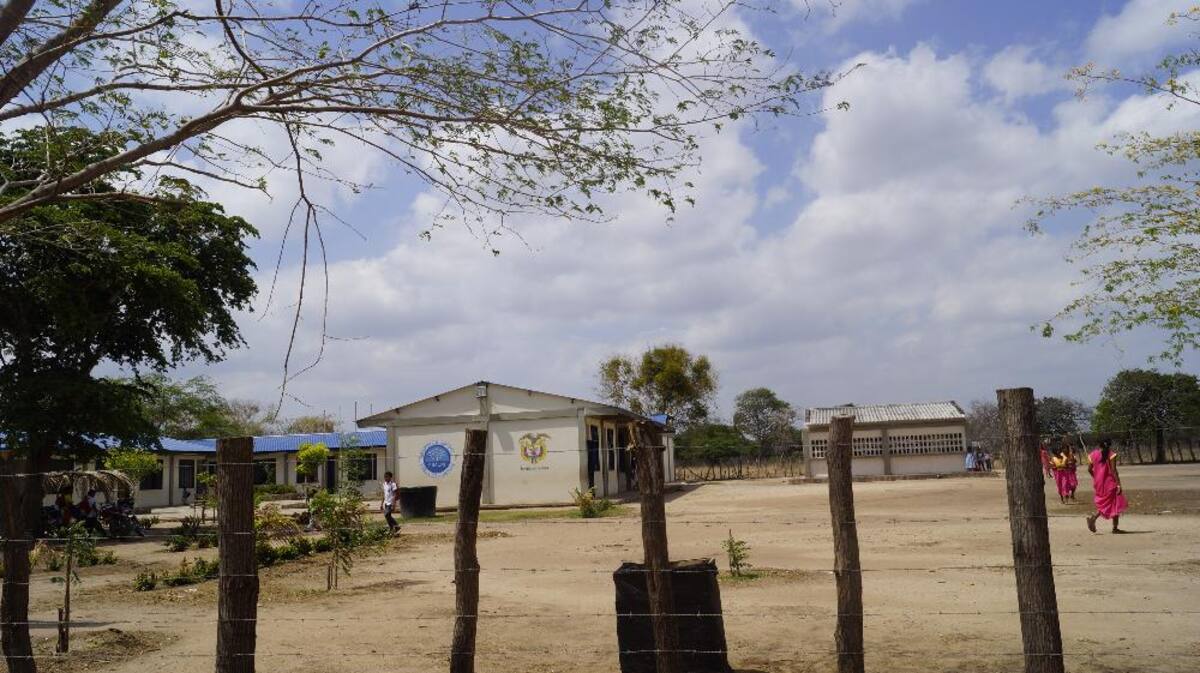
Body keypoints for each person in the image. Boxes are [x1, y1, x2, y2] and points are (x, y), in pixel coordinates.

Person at [1087, 440, 1128, 533]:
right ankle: (1110, 526)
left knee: (1108, 503)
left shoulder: (1093, 454)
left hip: (1098, 483)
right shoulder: (1111, 454)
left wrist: (1096, 477)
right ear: (1110, 445)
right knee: (1115, 503)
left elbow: (1089, 469)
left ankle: (1113, 527)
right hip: (1110, 483)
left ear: (1099, 445)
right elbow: (1114, 471)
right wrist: (1118, 484)